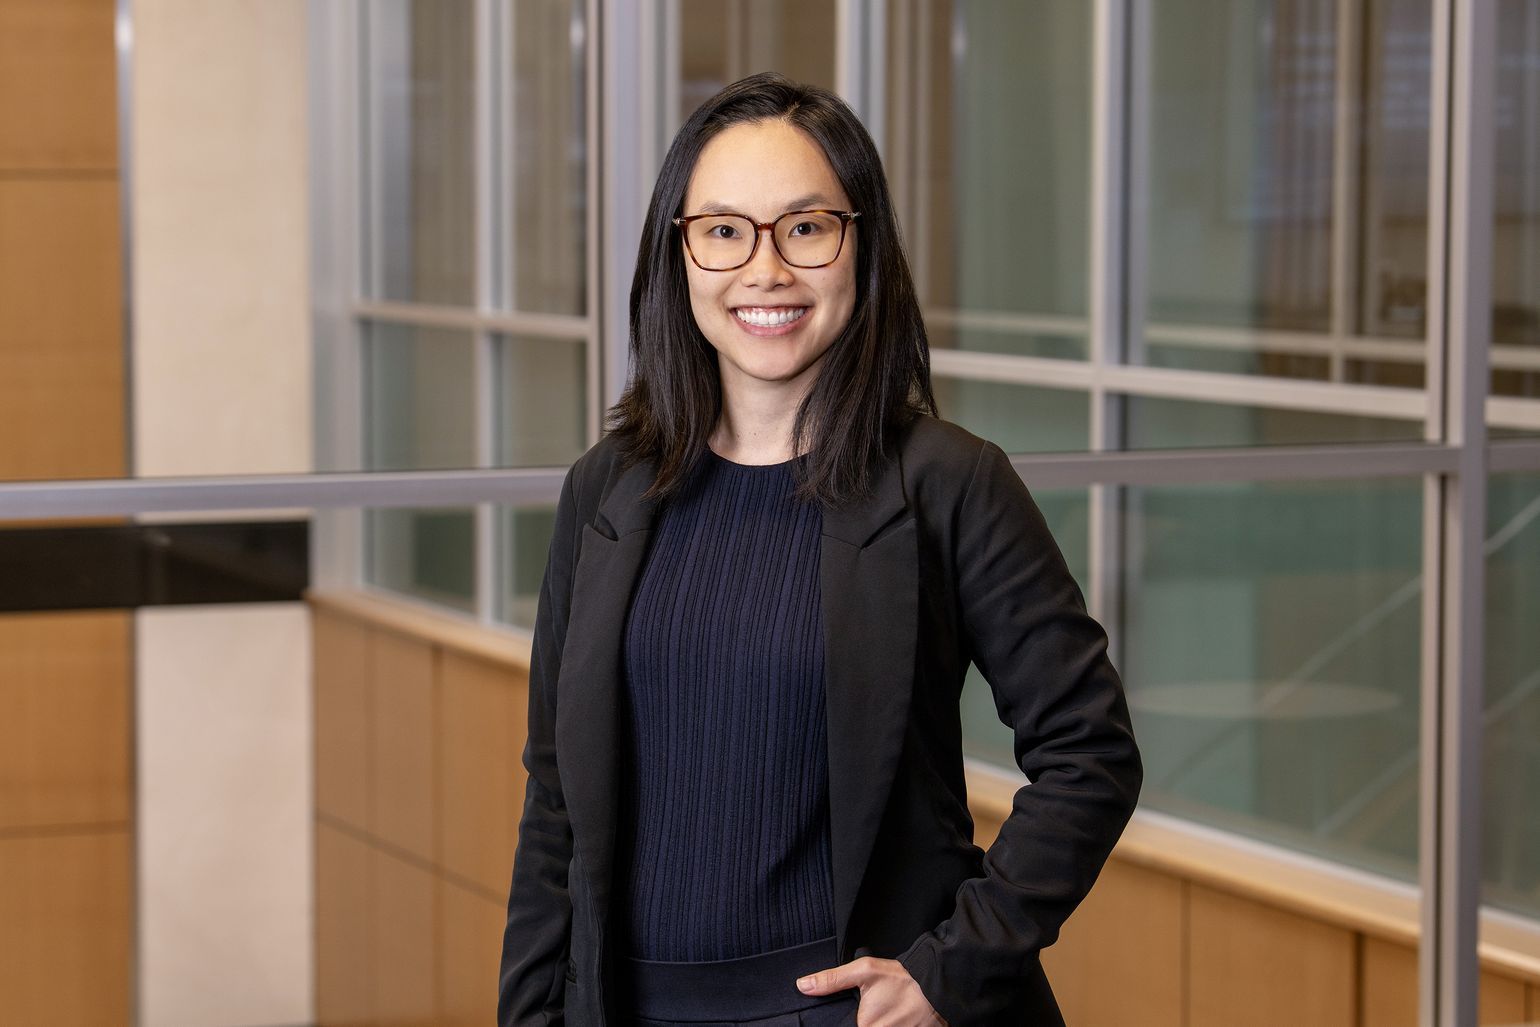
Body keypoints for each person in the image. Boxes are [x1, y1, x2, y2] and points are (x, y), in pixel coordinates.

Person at [499, 72, 1141, 1027]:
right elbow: (556, 794)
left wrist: (951, 968)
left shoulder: (948, 482)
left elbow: (1089, 752)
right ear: (678, 254)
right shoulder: (606, 490)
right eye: (724, 230)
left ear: (861, 246)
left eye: (805, 227)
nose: (765, 270)